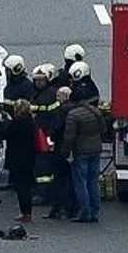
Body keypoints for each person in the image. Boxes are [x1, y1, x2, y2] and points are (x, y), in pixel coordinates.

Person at [62, 89, 105, 223]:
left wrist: (65, 152)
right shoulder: (95, 111)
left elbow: (69, 137)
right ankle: (95, 212)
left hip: (80, 151)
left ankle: (85, 212)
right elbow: (104, 129)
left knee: (81, 183)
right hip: (96, 149)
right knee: (93, 181)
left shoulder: (73, 115)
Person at [45, 86, 80, 219]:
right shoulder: (76, 109)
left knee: (60, 179)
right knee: (72, 179)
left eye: (59, 96)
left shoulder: (61, 111)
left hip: (61, 148)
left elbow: (56, 129)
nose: (57, 98)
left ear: (65, 96)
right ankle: (73, 208)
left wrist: (51, 135)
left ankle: (60, 208)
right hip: (74, 148)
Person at [2, 100, 39, 223]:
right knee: (26, 186)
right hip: (30, 157)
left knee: (21, 187)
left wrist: (4, 121)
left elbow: (6, 134)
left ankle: (25, 213)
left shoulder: (17, 123)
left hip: (17, 158)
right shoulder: (32, 122)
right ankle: (28, 213)